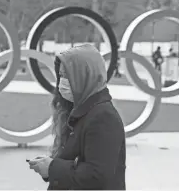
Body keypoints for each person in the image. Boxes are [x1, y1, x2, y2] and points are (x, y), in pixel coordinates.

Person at [28, 44, 126, 190]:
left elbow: (97, 176)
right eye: (60, 75)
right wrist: (48, 166)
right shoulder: (80, 110)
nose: (62, 82)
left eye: (67, 76)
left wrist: (52, 167)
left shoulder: (103, 117)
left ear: (85, 75)